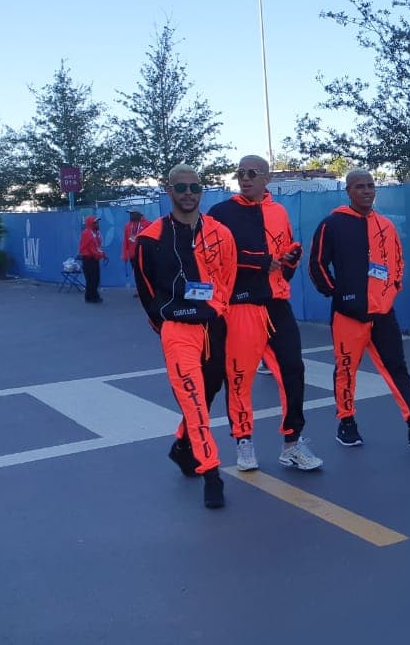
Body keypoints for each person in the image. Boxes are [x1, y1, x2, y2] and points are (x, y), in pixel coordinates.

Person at [309, 168, 410, 449]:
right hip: (348, 314)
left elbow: (397, 263)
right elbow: (317, 265)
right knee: (346, 368)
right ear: (348, 191)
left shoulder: (386, 226)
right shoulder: (332, 224)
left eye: (370, 186)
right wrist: (338, 294)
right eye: (359, 187)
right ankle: (346, 422)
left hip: (383, 312)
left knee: (397, 367)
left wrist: (391, 291)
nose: (366, 191)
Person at [208, 155, 322, 472]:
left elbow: (283, 263)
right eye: (240, 173)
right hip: (241, 305)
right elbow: (213, 256)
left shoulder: (279, 211)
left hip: (276, 303)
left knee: (293, 370)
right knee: (239, 377)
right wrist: (258, 261)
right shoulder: (221, 213)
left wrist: (291, 259)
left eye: (252, 173)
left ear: (267, 179)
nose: (244, 178)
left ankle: (292, 443)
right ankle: (244, 441)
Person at [134, 165, 236, 509]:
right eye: (181, 187)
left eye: (195, 186)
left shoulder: (221, 233)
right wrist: (165, 327)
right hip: (177, 330)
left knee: (207, 394)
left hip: (213, 327)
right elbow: (147, 290)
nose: (189, 193)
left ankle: (181, 447)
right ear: (169, 190)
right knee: (192, 401)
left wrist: (217, 309)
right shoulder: (150, 237)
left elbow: (227, 277)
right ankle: (211, 472)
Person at [122, 207, 152, 297]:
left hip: (144, 254)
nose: (130, 215)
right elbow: (125, 241)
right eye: (130, 214)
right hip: (133, 255)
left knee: (146, 272)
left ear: (139, 214)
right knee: (136, 273)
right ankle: (139, 290)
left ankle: (148, 290)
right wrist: (124, 254)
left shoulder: (148, 224)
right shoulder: (127, 226)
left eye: (132, 213)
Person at [77, 215, 107, 303]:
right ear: (91, 224)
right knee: (92, 279)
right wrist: (101, 254)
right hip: (89, 259)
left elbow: (96, 247)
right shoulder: (86, 233)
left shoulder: (95, 233)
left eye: (98, 223)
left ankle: (90, 296)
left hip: (94, 258)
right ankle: (92, 297)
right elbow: (91, 249)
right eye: (96, 223)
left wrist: (101, 254)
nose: (98, 224)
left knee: (94, 279)